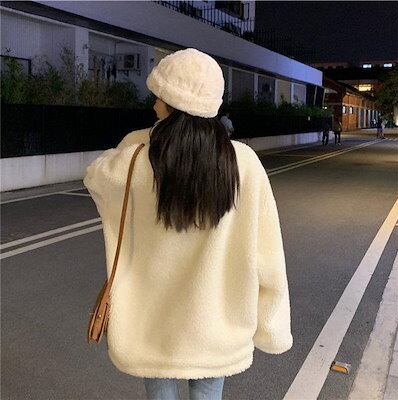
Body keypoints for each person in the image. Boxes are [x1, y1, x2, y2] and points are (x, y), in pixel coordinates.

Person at [83, 48, 293, 400]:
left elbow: (95, 176)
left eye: (159, 96)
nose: (154, 104)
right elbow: (268, 253)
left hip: (152, 323)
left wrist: (141, 138)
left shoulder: (137, 157)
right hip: (216, 323)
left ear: (172, 103)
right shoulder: (243, 163)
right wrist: (271, 325)